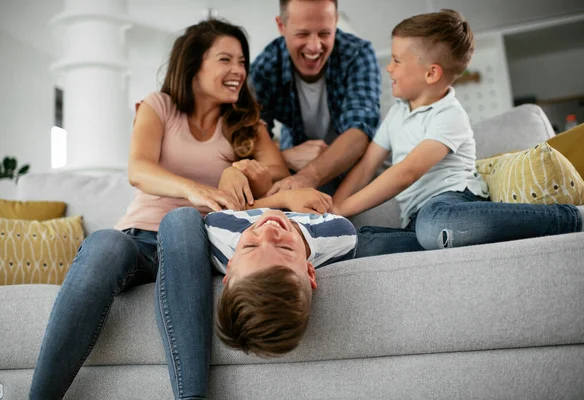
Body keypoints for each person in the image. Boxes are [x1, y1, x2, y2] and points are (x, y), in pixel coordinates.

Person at [29, 19, 289, 400]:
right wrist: (195, 189)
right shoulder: (159, 106)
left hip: (193, 244)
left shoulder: (247, 124)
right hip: (137, 238)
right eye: (225, 59)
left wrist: (240, 170)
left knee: (182, 219)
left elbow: (280, 178)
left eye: (242, 62)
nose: (239, 71)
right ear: (194, 64)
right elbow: (139, 170)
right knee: (104, 242)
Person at [331, 9, 584, 257]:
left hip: (453, 201)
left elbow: (406, 173)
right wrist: (330, 213)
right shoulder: (396, 114)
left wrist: (344, 207)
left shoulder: (450, 115)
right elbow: (366, 167)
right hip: (417, 220)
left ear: (431, 73)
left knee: (432, 225)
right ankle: (444, 240)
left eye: (397, 60)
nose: (389, 68)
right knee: (359, 243)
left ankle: (573, 217)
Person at [204, 188, 357, 356]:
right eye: (285, 248)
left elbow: (226, 203)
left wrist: (283, 198)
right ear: (309, 271)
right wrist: (286, 198)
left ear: (229, 265)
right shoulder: (338, 237)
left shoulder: (218, 231)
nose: (268, 232)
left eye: (250, 246)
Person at [250, 0, 382, 195]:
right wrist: (284, 157)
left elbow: (359, 132)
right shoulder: (265, 68)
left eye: (324, 33)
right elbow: (251, 138)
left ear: (335, 21)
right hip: (296, 161)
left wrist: (308, 177)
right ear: (282, 26)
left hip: (353, 163)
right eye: (302, 34)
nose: (314, 47)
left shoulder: (357, 54)